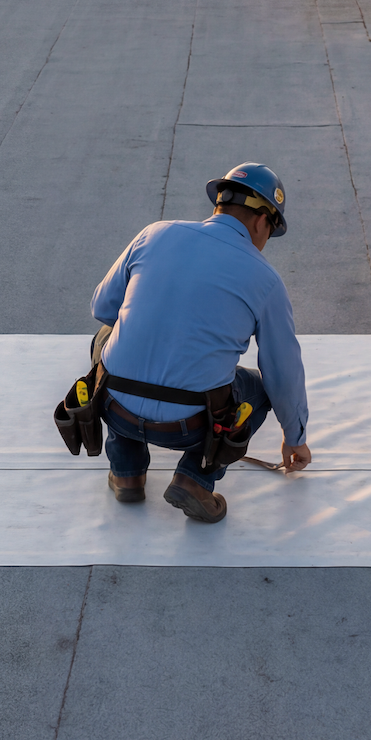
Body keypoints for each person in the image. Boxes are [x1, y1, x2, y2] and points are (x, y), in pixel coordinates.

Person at [89, 163, 311, 524]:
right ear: (261, 222)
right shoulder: (265, 279)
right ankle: (195, 478)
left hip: (118, 408)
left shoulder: (154, 234)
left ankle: (126, 472)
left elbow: (103, 307)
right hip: (190, 425)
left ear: (219, 204)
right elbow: (282, 372)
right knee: (261, 388)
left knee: (105, 339)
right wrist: (295, 436)